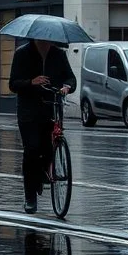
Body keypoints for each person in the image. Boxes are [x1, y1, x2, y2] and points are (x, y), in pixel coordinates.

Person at [9, 38, 76, 214]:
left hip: (51, 108)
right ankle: (30, 196)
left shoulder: (58, 54)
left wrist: (67, 87)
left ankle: (42, 173)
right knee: (32, 149)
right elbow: (13, 84)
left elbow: (70, 77)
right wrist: (32, 82)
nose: (46, 41)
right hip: (28, 111)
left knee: (48, 149)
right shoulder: (22, 53)